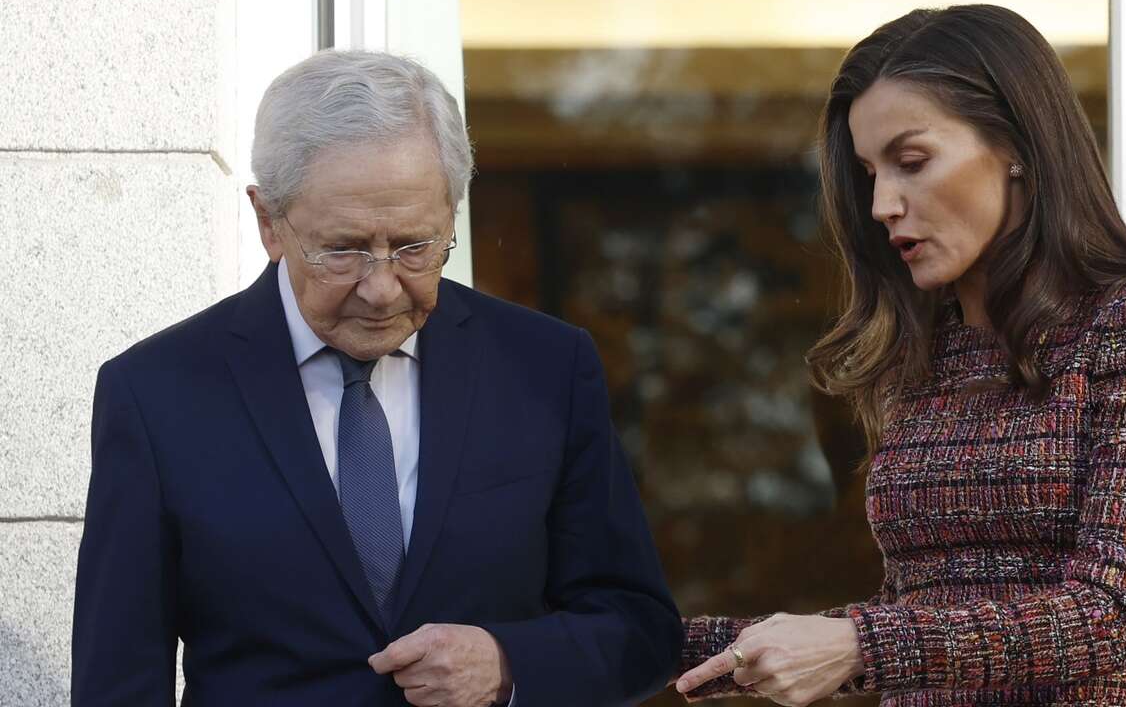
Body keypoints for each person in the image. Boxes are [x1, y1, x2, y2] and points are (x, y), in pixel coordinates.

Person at [71, 50, 682, 706]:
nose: (383, 288)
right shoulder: (156, 392)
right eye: (345, 249)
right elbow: (118, 682)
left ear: (453, 212)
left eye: (416, 246)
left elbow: (640, 629)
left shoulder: (546, 368)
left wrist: (508, 663)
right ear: (268, 222)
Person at [676, 4, 1126, 707]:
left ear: (1017, 144)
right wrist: (632, 642)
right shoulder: (930, 346)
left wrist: (858, 645)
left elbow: (1108, 615)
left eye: (911, 162)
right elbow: (924, 610)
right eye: (870, 172)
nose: (882, 204)